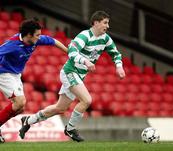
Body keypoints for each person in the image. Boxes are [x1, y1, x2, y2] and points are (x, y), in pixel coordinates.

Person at [19, 11, 126, 142]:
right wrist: (85, 61)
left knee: (60, 108)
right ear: (96, 23)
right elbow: (72, 52)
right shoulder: (84, 36)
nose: (107, 26)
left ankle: (28, 120)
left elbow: (115, 53)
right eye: (105, 23)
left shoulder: (105, 38)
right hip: (70, 71)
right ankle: (70, 129)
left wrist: (119, 66)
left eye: (107, 23)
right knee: (87, 100)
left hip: (79, 75)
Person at [0, 18, 67, 143]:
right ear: (29, 35)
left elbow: (53, 41)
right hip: (4, 73)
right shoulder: (12, 44)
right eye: (37, 35)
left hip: (15, 74)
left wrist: (68, 52)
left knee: (20, 108)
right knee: (20, 102)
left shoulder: (35, 40)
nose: (39, 37)